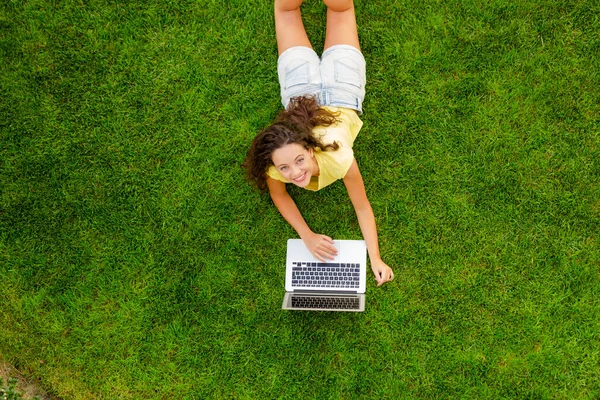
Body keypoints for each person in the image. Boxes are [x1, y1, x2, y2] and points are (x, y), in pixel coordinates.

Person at [243, 0, 394, 286]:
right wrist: (307, 235)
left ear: (310, 148)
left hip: (303, 88)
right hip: (339, 85)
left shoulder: (338, 155)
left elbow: (362, 206)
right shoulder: (276, 167)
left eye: (298, 161)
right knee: (340, 9)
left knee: (287, 9)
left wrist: (375, 257)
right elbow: (280, 195)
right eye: (284, 168)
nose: (294, 174)